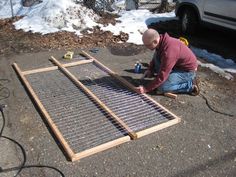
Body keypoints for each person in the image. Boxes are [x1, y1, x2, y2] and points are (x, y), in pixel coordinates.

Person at [135, 28, 200, 95]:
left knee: (162, 88)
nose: (147, 47)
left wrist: (146, 89)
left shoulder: (169, 52)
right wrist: (150, 69)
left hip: (187, 71)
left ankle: (190, 85)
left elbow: (162, 75)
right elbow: (155, 56)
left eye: (147, 45)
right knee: (157, 57)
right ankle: (170, 77)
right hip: (176, 65)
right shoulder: (161, 41)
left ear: (155, 41)